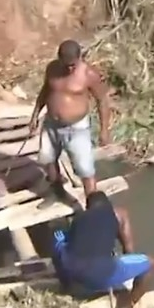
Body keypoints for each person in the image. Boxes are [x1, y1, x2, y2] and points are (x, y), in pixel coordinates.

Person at [28, 39, 111, 208]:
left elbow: (102, 100)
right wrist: (35, 115)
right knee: (47, 160)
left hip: (77, 128)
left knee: (85, 169)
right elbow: (45, 91)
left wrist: (104, 130)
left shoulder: (88, 74)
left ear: (79, 58)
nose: (69, 69)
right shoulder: (52, 69)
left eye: (73, 65)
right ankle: (57, 192)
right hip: (51, 125)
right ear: (59, 59)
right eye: (66, 65)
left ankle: (93, 207)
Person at [51, 191, 154, 308]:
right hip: (101, 276)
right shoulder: (118, 214)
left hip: (72, 271)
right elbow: (128, 249)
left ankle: (66, 284)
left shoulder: (78, 219)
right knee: (151, 263)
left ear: (88, 206)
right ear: (108, 205)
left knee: (58, 237)